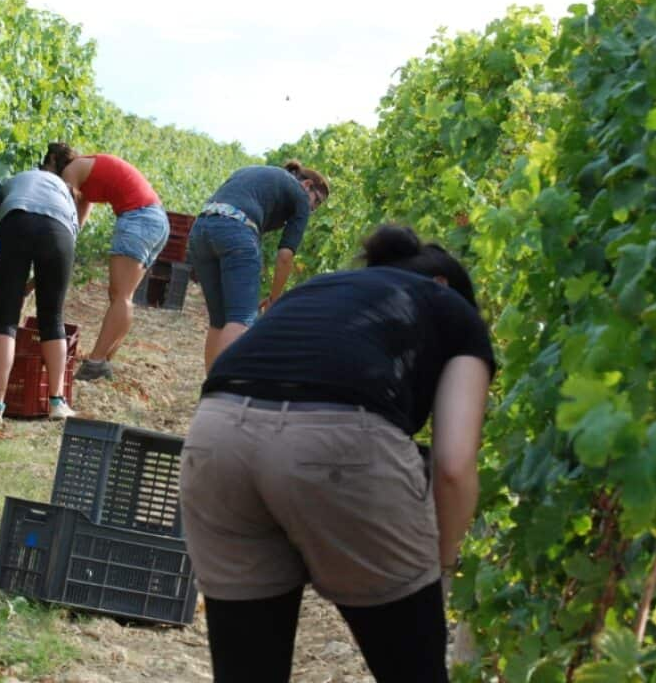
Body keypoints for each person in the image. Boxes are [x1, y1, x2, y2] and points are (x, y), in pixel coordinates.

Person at [179, 225, 494, 682]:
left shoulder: (319, 289)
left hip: (216, 437)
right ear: (443, 285)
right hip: (339, 444)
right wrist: (438, 568)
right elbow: (453, 466)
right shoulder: (451, 309)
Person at [40, 143, 168, 381]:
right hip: (155, 220)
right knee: (120, 295)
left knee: (121, 296)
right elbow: (75, 223)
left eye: (45, 167)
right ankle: (104, 360)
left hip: (138, 218)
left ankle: (95, 363)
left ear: (54, 160)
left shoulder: (70, 172)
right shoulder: (85, 173)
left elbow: (63, 210)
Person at [188, 161, 329, 373]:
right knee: (241, 319)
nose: (312, 209)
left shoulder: (259, 174)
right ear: (307, 185)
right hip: (236, 229)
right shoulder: (300, 196)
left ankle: (211, 392)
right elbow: (285, 256)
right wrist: (274, 299)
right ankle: (224, 393)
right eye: (316, 202)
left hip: (201, 229)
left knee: (219, 322)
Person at [0, 166, 82, 423]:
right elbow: (73, 232)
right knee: (52, 317)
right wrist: (37, 281)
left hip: (16, 223)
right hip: (59, 233)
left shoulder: (20, 178)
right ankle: (57, 402)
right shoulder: (66, 195)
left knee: (5, 320)